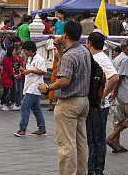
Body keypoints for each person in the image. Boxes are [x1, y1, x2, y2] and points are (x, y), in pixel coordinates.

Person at [38, 20, 91, 175]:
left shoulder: (70, 55)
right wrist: (60, 48)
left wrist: (48, 87)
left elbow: (64, 80)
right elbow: (67, 66)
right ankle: (81, 172)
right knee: (81, 142)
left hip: (69, 102)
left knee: (66, 144)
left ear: (65, 34)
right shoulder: (84, 51)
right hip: (83, 100)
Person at [85, 32, 120, 175]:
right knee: (91, 137)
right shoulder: (94, 57)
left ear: (89, 43)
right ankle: (92, 166)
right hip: (92, 104)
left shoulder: (101, 58)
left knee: (97, 137)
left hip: (99, 105)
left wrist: (103, 95)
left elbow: (115, 77)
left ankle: (98, 167)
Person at [13, 40, 47, 137]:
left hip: (34, 87)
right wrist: (23, 72)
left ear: (30, 50)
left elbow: (43, 71)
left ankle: (22, 130)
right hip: (29, 86)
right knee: (36, 109)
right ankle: (42, 128)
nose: (24, 52)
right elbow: (29, 71)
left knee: (24, 107)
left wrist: (30, 71)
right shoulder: (29, 59)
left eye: (25, 51)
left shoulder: (39, 59)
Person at [108, 39, 128, 154]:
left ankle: (117, 145)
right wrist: (113, 91)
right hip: (124, 94)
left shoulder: (118, 58)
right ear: (124, 49)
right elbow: (119, 77)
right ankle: (111, 137)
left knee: (118, 119)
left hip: (119, 93)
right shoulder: (124, 59)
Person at [0, 44, 21, 110]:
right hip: (7, 76)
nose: (15, 52)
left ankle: (13, 104)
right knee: (5, 90)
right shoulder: (6, 58)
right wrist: (14, 74)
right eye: (14, 51)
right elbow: (8, 68)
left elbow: (15, 66)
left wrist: (18, 72)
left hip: (12, 76)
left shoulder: (13, 58)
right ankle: (2, 104)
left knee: (13, 90)